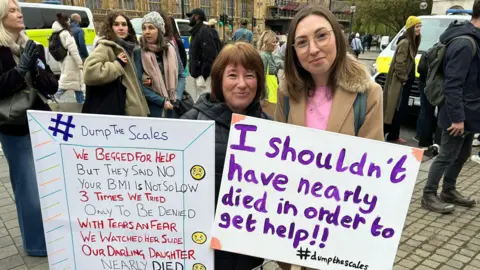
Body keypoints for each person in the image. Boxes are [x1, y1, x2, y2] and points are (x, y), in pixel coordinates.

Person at [181, 42, 267, 270]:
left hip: (247, 255)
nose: (241, 84)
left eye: (249, 75)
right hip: (202, 252)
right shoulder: (190, 124)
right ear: (219, 80)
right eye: (232, 75)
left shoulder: (272, 131)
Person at [0, 0, 58, 257]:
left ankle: (56, 237)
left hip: (41, 122)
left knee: (49, 185)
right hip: (13, 125)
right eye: (12, 10)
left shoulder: (33, 46)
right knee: (29, 189)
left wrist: (35, 66)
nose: (19, 13)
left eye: (18, 9)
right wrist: (20, 68)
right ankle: (37, 245)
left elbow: (51, 88)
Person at [422, 2, 480, 214]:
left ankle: (449, 189)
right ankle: (429, 194)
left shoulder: (474, 40)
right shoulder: (465, 43)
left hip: (470, 112)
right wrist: (457, 118)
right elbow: (453, 83)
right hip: (457, 114)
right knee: (447, 154)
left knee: (463, 153)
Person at [83, 11, 149, 116]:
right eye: (116, 24)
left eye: (124, 24)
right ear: (110, 27)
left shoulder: (129, 46)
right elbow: (89, 73)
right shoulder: (105, 47)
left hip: (134, 105)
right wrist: (117, 65)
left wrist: (144, 78)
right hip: (121, 108)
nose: (121, 28)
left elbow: (131, 74)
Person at [133, 11, 185, 118]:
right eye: (144, 28)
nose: (147, 32)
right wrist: (162, 101)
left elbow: (181, 75)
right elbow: (138, 84)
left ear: (160, 30)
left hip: (173, 107)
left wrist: (177, 98)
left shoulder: (171, 48)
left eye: (151, 28)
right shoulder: (139, 51)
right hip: (154, 109)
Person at [383, 16, 422, 143]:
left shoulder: (412, 42)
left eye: (420, 26)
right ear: (410, 28)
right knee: (395, 109)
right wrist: (404, 79)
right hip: (400, 84)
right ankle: (388, 134)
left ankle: (393, 134)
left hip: (405, 83)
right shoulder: (405, 43)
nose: (419, 29)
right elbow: (399, 65)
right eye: (417, 26)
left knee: (399, 110)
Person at [186, 8, 218, 101]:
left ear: (196, 17)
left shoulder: (204, 31)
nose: (189, 19)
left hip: (203, 77)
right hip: (198, 75)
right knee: (199, 102)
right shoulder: (197, 31)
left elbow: (210, 56)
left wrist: (204, 75)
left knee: (205, 103)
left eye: (190, 16)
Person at [52, 13, 85, 104]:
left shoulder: (57, 33)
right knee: (67, 84)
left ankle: (81, 102)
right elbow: (73, 50)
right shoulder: (66, 33)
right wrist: (79, 63)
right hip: (71, 61)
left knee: (75, 83)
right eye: (68, 21)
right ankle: (52, 98)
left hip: (64, 60)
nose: (69, 23)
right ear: (65, 22)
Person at [257, 30, 282, 115]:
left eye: (276, 42)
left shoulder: (270, 54)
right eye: (273, 42)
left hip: (272, 93)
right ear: (266, 42)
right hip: (268, 95)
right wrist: (264, 96)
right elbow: (261, 77)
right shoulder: (264, 56)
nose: (275, 44)